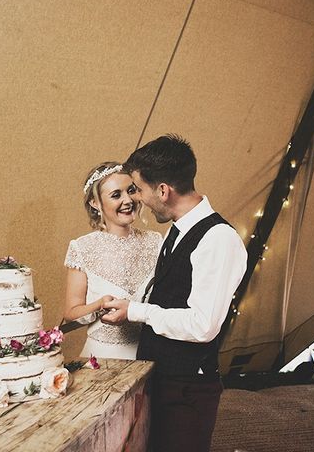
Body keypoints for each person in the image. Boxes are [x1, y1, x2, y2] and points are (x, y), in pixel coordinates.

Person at [102, 135, 247, 451]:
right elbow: (162, 288)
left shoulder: (218, 239)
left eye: (139, 189)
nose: (137, 198)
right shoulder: (175, 229)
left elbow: (203, 325)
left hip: (188, 388)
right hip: (160, 377)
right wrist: (127, 304)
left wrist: (136, 312)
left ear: (163, 190)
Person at [63, 161, 161, 360]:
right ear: (95, 203)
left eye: (131, 190)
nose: (128, 200)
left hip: (150, 354)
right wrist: (99, 305)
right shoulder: (82, 248)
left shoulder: (156, 241)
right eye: (116, 195)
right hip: (102, 358)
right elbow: (71, 313)